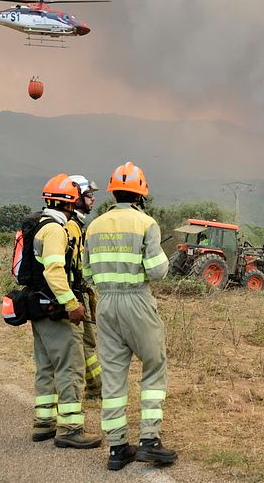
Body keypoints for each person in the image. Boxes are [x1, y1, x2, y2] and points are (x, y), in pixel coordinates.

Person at [83, 161, 175, 471]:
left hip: (106, 304)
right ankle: (149, 440)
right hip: (136, 300)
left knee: (112, 375)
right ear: (140, 194)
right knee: (153, 365)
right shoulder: (146, 223)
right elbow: (159, 271)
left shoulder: (93, 226)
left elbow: (86, 273)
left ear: (112, 193)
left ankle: (117, 448)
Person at [27, 174, 101, 449]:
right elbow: (55, 271)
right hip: (57, 309)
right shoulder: (57, 230)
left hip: (38, 306)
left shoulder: (38, 225)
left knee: (45, 367)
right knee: (69, 368)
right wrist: (72, 304)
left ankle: (44, 423)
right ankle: (70, 428)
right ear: (70, 202)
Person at [66, 174, 102, 399]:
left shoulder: (77, 224)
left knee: (88, 342)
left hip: (79, 294)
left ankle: (96, 388)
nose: (92, 200)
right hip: (71, 298)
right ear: (75, 197)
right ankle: (89, 391)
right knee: (78, 346)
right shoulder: (70, 226)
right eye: (88, 195)